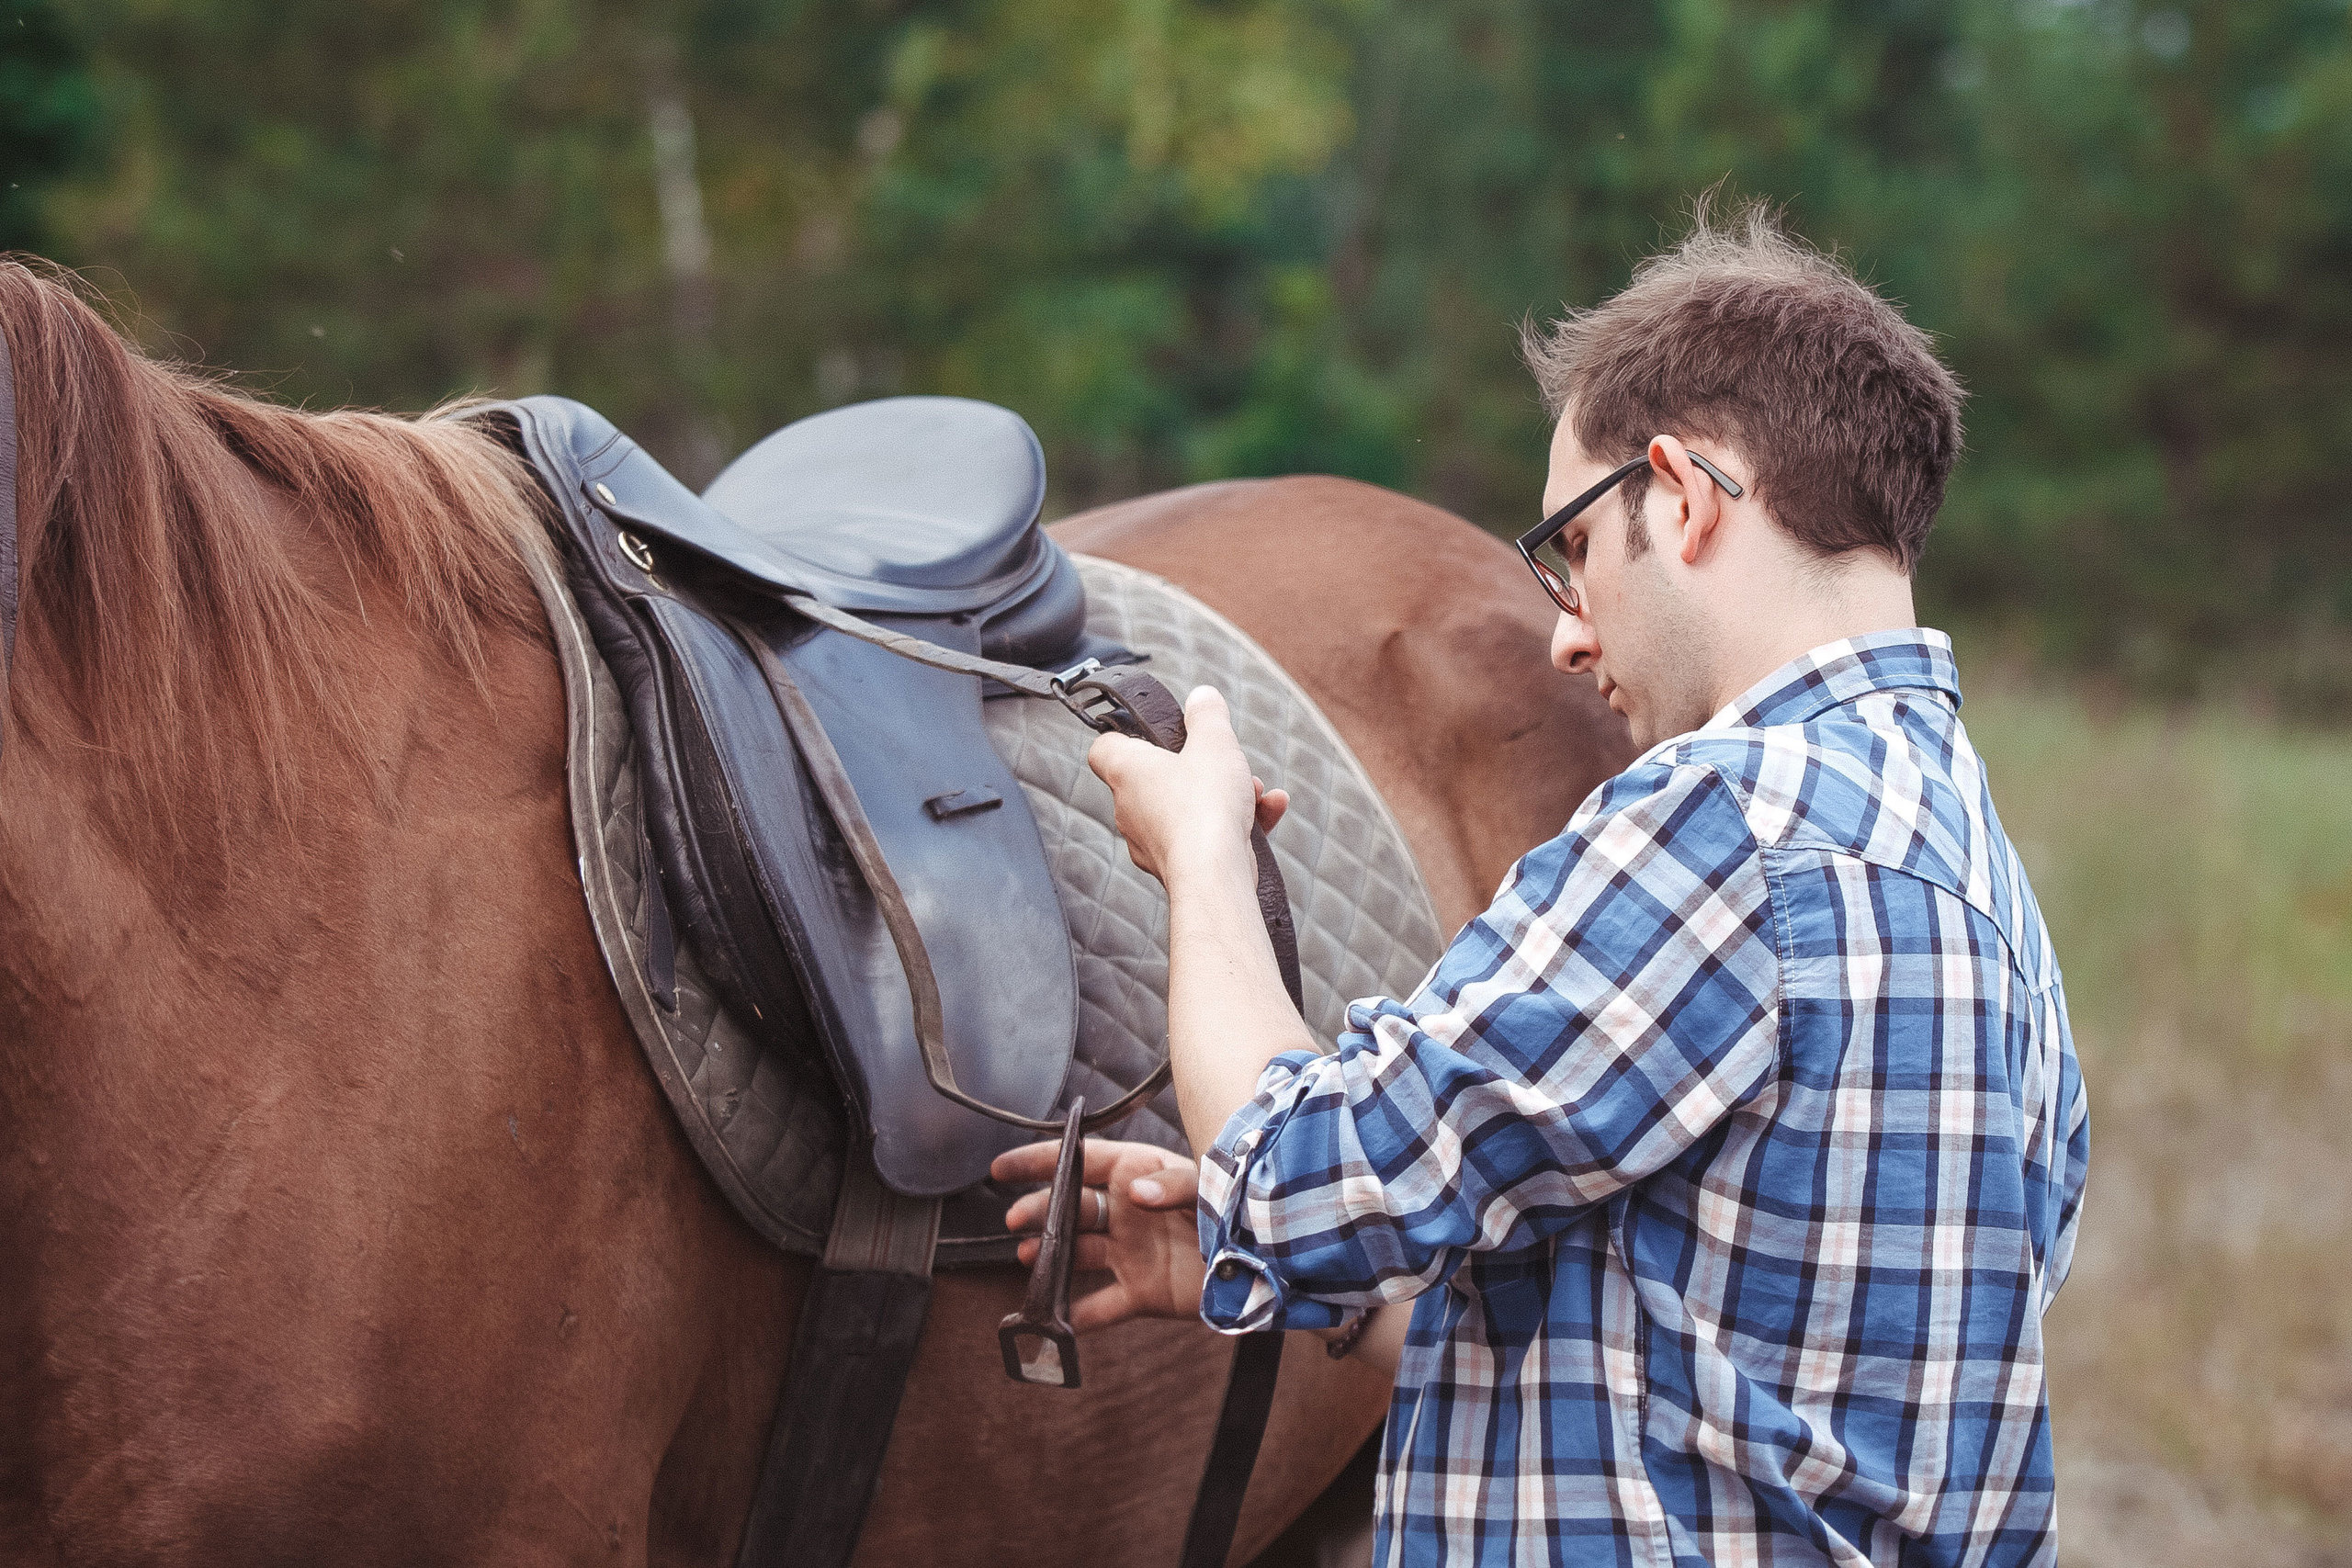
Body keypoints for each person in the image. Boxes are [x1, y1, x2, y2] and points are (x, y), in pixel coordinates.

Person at [999, 200, 2089, 1566]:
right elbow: (1705, 1336)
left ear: (1682, 497)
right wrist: (1329, 1308)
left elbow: (1291, 1173)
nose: (1567, 635)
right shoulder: (1974, 865)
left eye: (1572, 546)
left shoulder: (1725, 826)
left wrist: (1204, 855)